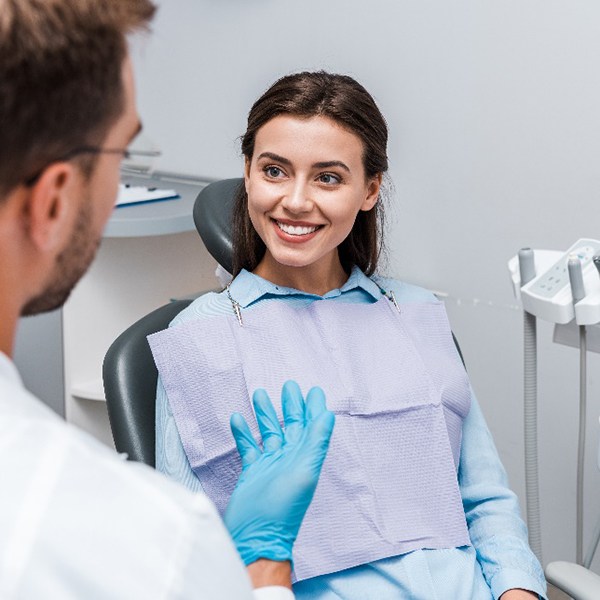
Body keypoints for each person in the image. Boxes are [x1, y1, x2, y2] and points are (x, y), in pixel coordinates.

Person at [152, 71, 548, 599]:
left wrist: (517, 591)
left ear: (370, 189)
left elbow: (483, 498)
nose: (295, 201)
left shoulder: (412, 311)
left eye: (328, 178)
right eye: (274, 170)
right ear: (247, 174)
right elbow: (184, 548)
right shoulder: (203, 336)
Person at [0, 2, 335, 598]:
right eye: (122, 155)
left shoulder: (403, 311)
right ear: (52, 202)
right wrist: (263, 567)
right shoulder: (149, 545)